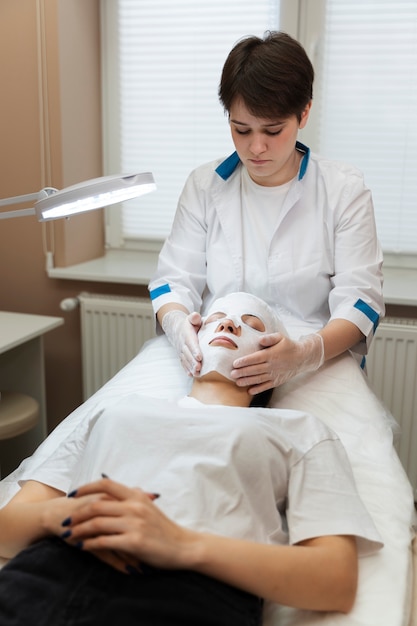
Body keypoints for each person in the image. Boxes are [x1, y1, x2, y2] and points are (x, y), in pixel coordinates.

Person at [0, 293, 382, 626]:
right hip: (49, 570)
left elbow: (335, 580)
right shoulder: (117, 411)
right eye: (216, 318)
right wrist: (67, 515)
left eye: (251, 326)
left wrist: (180, 544)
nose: (230, 324)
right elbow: (7, 529)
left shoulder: (300, 430)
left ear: (275, 361)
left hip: (190, 593)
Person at [148, 31, 384, 394]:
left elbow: (360, 300)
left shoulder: (344, 190)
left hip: (312, 366)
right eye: (241, 129)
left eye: (273, 130)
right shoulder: (203, 186)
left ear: (304, 113)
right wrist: (180, 327)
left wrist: (305, 354)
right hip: (217, 358)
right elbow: (174, 281)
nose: (256, 147)